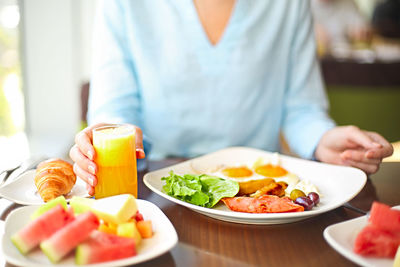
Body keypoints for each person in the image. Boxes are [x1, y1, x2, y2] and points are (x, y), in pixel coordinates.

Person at [69, 0, 393, 196]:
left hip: (265, 189)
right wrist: (110, 137)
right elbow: (115, 107)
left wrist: (323, 138)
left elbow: (301, 108)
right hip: (158, 190)